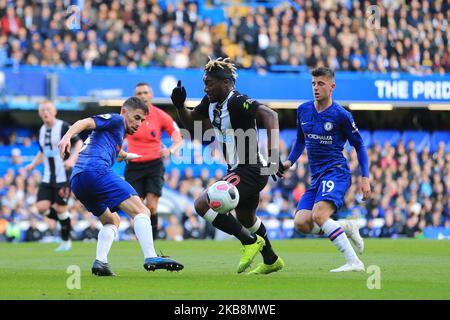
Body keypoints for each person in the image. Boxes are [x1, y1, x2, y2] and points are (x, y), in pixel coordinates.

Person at [170, 57, 284, 274]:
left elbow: (270, 115)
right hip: (238, 169)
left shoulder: (236, 100)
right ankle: (271, 259)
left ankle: (249, 242)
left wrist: (274, 155)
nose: (206, 88)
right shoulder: (210, 102)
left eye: (210, 83)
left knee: (202, 204)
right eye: (204, 83)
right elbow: (194, 127)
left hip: (251, 168)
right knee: (247, 219)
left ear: (226, 83)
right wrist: (179, 107)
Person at [58, 97, 183, 276]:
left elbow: (117, 152)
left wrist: (128, 155)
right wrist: (67, 137)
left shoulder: (114, 135)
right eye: (137, 117)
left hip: (78, 181)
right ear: (124, 111)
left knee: (112, 221)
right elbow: (85, 122)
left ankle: (100, 262)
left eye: (142, 120)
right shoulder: (116, 120)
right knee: (142, 211)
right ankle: (151, 256)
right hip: (96, 171)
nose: (139, 124)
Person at [278, 67, 371, 272]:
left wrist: (365, 177)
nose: (316, 88)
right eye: (313, 84)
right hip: (317, 177)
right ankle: (345, 227)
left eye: (320, 83)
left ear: (332, 86)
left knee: (319, 216)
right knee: (301, 223)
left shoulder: (341, 115)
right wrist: (289, 162)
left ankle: (354, 262)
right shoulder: (303, 110)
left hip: (336, 171)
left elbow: (360, 145)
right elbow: (301, 140)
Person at [125, 82, 183, 239]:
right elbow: (119, 135)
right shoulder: (127, 115)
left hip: (154, 165)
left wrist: (170, 150)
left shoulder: (160, 115)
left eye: (146, 92)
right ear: (134, 97)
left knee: (151, 205)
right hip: (133, 165)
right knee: (136, 208)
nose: (143, 96)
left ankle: (154, 238)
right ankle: (140, 238)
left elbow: (178, 136)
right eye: (139, 93)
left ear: (151, 95)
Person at [25, 100, 83, 252]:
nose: (46, 112)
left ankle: (65, 240)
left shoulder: (63, 127)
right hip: (47, 176)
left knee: (60, 208)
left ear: (55, 111)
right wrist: (33, 164)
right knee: (41, 207)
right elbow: (43, 151)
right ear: (39, 113)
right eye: (42, 110)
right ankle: (67, 222)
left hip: (63, 176)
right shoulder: (41, 131)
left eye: (48, 109)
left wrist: (71, 159)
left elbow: (79, 143)